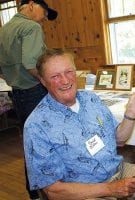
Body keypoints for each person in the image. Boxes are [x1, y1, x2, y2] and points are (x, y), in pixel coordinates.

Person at [23, 48, 135, 200]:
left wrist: (130, 114)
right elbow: (52, 191)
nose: (65, 80)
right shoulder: (36, 125)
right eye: (55, 76)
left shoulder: (91, 99)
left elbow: (119, 139)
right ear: (43, 81)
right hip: (85, 191)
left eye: (68, 72)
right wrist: (110, 189)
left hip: (119, 171)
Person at [0, 1, 57, 199]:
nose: (45, 19)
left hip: (18, 94)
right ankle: (51, 192)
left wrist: (13, 79)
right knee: (49, 143)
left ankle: (34, 193)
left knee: (31, 145)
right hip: (35, 92)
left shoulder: (5, 29)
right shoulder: (31, 27)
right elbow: (32, 64)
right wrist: (51, 84)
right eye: (45, 13)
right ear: (31, 5)